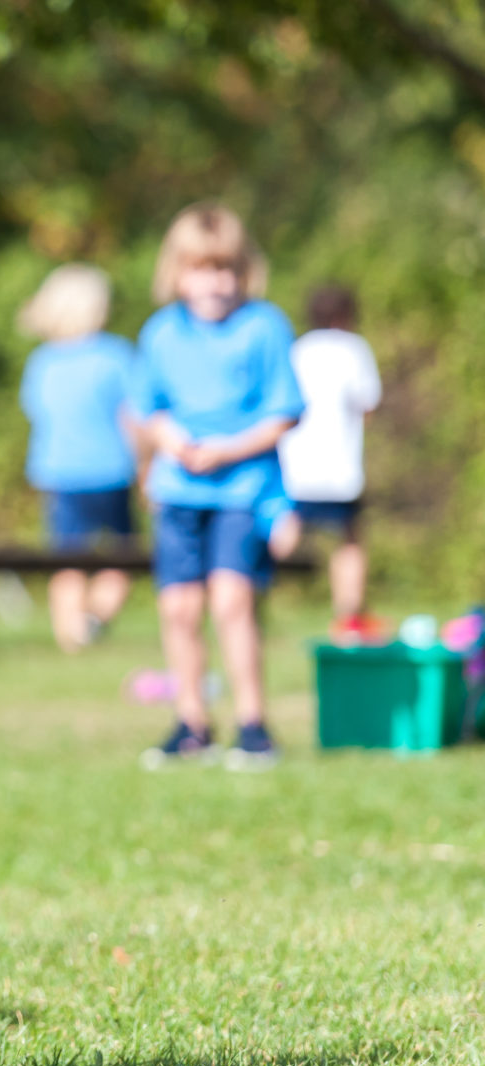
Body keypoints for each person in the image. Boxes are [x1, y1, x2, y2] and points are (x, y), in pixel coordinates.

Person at [131, 204, 303, 771]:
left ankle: (253, 725)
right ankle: (192, 724)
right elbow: (147, 409)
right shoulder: (161, 333)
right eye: (203, 269)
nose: (217, 283)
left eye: (227, 269)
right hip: (179, 492)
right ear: (177, 272)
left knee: (233, 601)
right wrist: (172, 442)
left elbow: (284, 413)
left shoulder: (264, 326)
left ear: (245, 270)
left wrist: (227, 451)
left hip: (242, 490)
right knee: (180, 609)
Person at [17, 264, 141, 652]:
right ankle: (94, 618)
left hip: (58, 473)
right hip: (111, 471)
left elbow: (35, 411)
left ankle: (71, 637)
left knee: (66, 560)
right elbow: (135, 418)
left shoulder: (42, 362)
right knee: (126, 558)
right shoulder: (117, 355)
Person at [277, 284, 382, 641]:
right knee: (349, 540)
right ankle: (349, 616)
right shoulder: (353, 349)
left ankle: (255, 591)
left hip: (296, 464)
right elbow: (368, 405)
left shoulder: (297, 349)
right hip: (339, 466)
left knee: (285, 530)